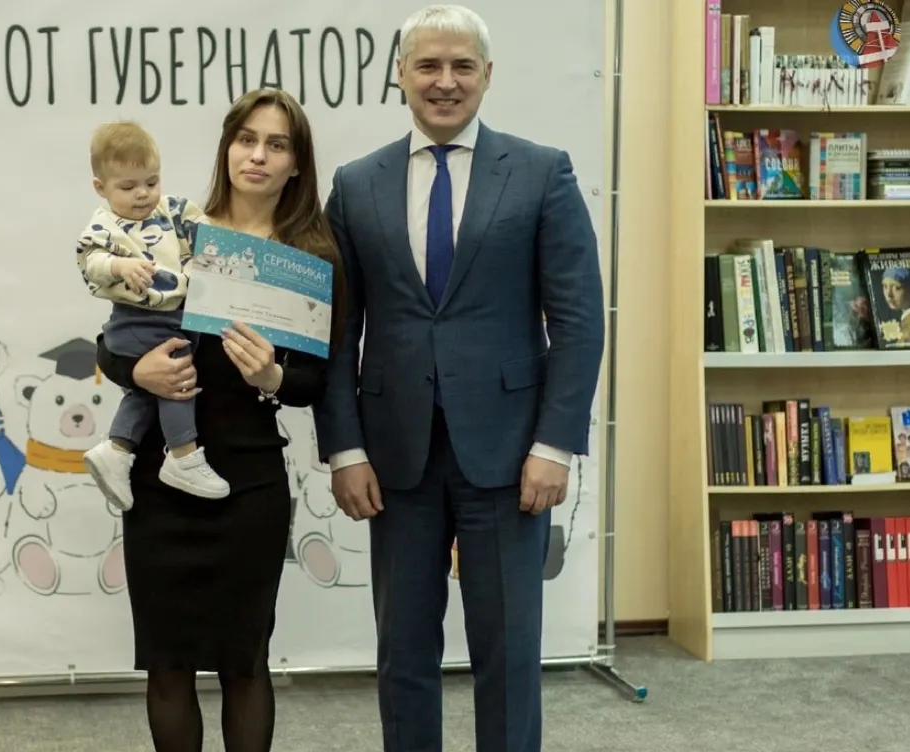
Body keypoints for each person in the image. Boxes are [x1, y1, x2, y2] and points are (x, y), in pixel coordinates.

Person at [312, 5, 605, 752]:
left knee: (508, 655)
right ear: (401, 75)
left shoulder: (541, 172)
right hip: (394, 459)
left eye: (461, 66)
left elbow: (577, 322)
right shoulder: (355, 184)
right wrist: (344, 449)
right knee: (402, 654)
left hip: (510, 459)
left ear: (487, 75)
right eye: (428, 66)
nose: (444, 82)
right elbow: (336, 331)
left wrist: (555, 446)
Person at [94, 87, 344, 752]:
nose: (257, 155)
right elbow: (112, 341)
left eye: (276, 144)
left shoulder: (310, 257)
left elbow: (317, 379)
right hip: (162, 477)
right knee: (168, 662)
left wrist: (273, 378)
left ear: (296, 162)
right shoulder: (177, 231)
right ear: (227, 147)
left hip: (250, 482)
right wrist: (137, 374)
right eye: (246, 139)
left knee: (244, 662)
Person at [78, 120, 230, 507]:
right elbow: (91, 261)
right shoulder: (106, 225)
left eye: (151, 181)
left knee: (148, 391)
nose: (143, 194)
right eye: (128, 187)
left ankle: (116, 449)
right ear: (101, 187)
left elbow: (209, 232)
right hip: (138, 323)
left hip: (173, 318)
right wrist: (119, 265)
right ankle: (183, 455)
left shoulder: (171, 211)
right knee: (177, 375)